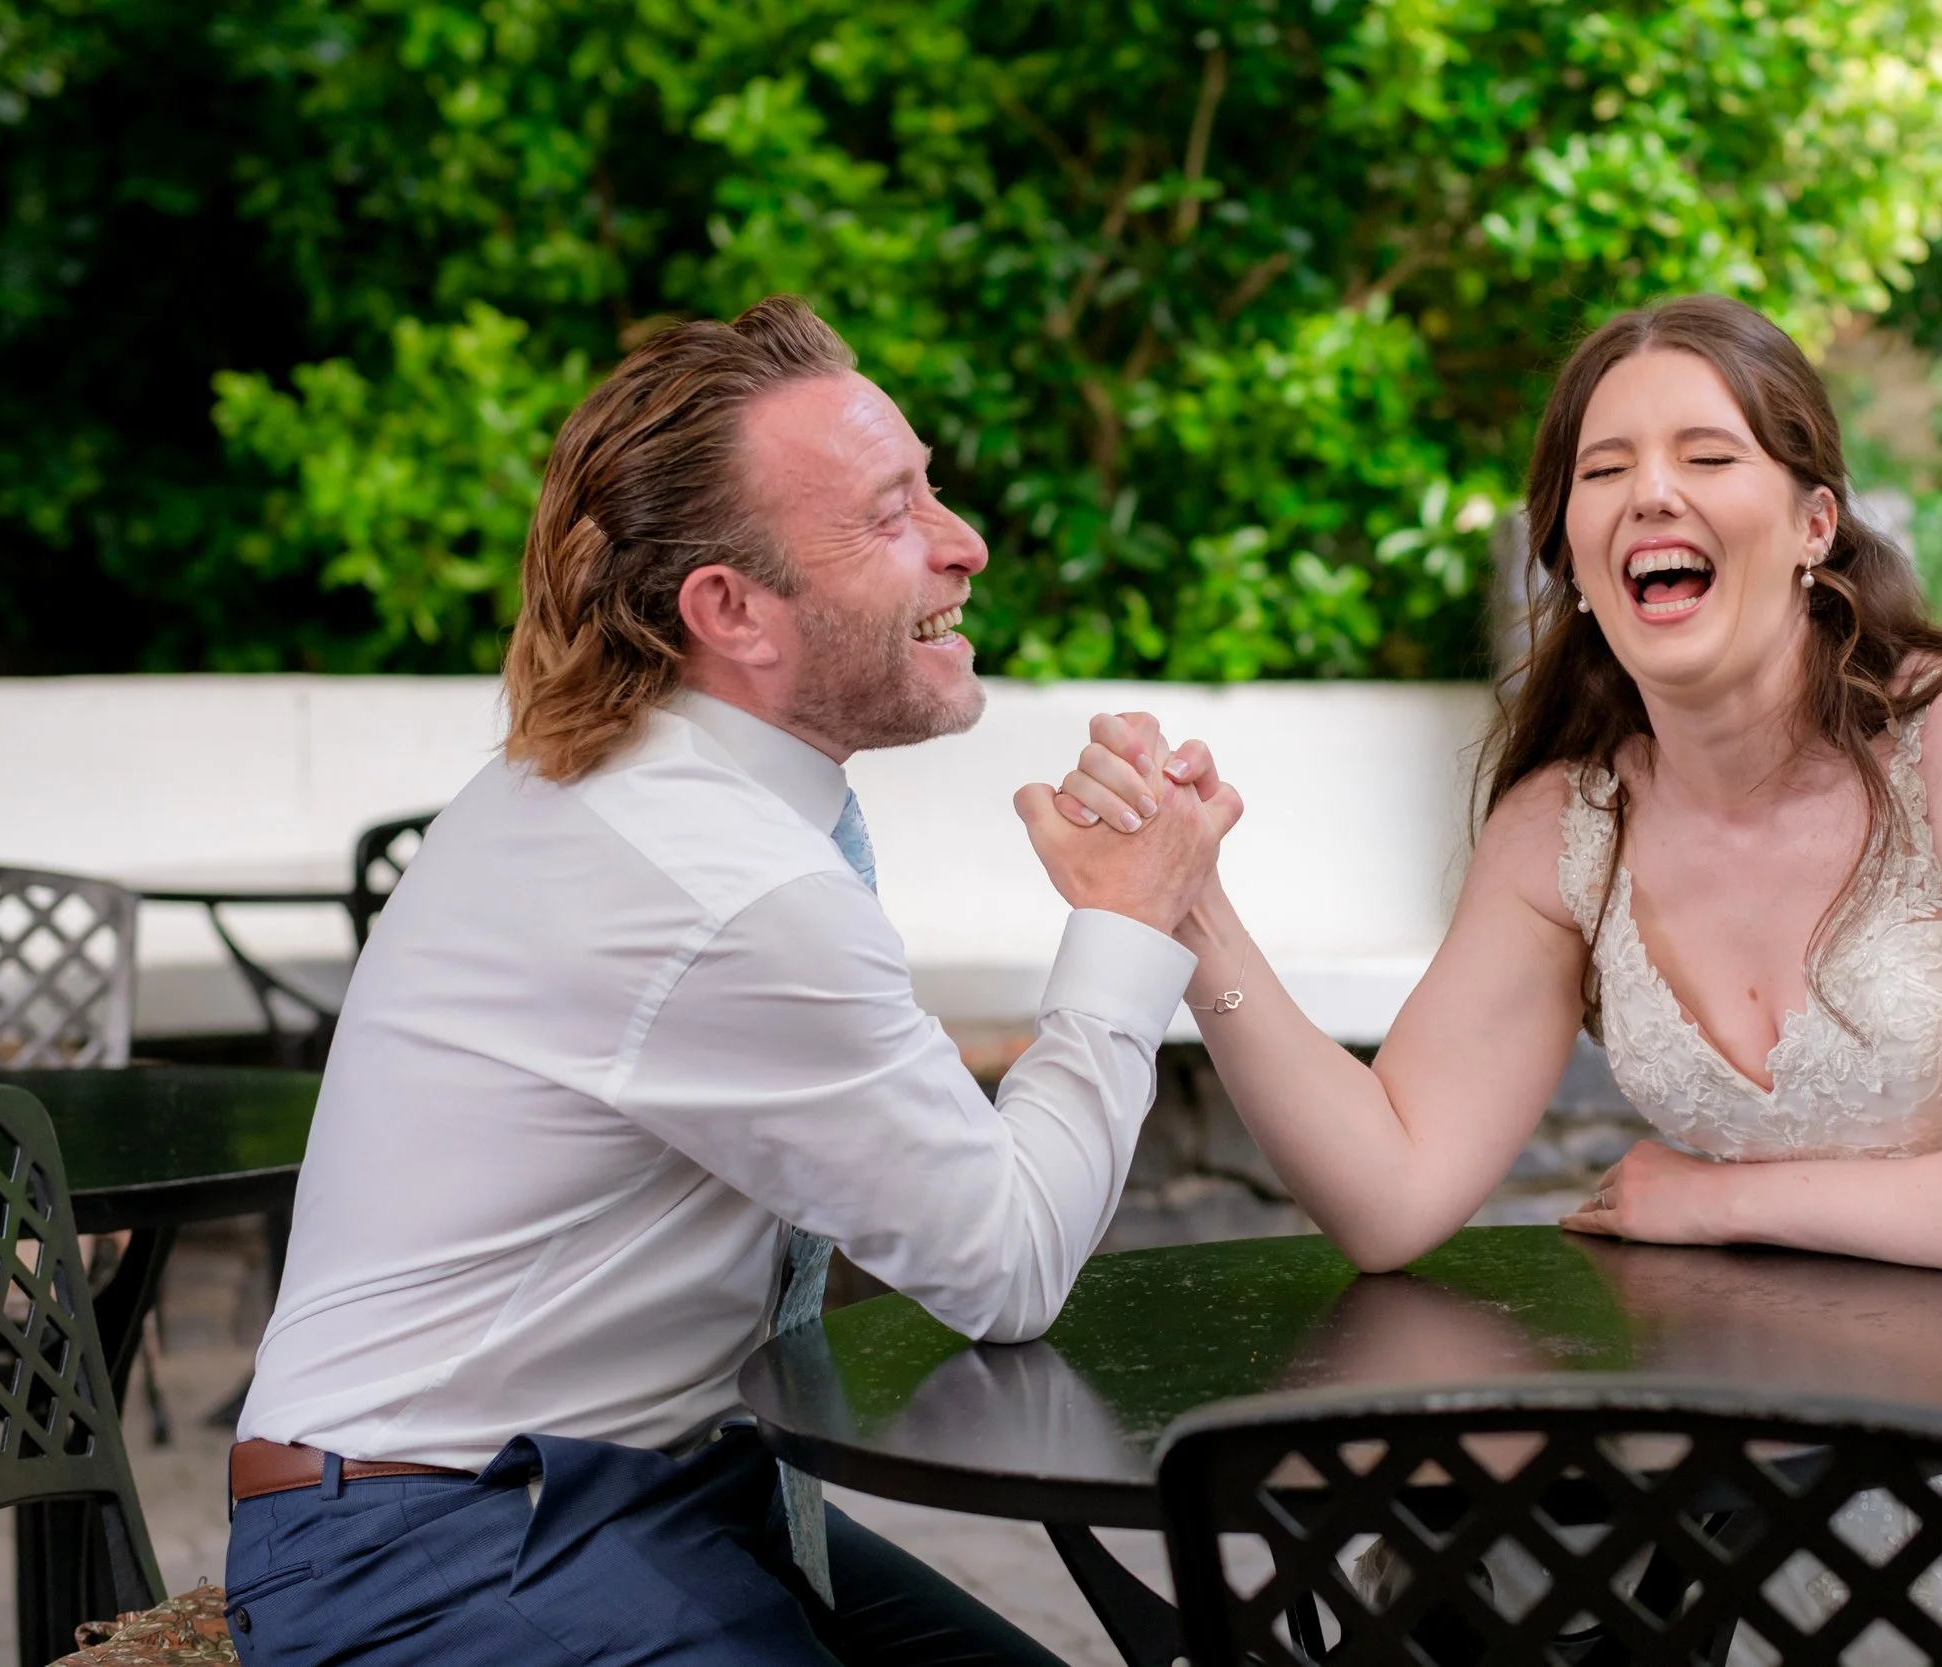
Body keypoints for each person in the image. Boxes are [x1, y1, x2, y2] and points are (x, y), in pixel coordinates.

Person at [1045, 295, 1942, 1632]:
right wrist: (1193, 913)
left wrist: (1717, 1198)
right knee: (1451, 1575)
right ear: (1577, 563)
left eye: (1707, 455)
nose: (1651, 492)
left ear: (1813, 525)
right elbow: (1392, 1189)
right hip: (1750, 1407)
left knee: (1691, 1590)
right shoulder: (1564, 827)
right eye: (1605, 470)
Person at [225, 295, 1239, 1666]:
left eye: (930, 485)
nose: (964, 542)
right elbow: (1002, 1265)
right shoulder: (715, 878)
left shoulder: (677, 794)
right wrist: (1128, 926)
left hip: (645, 1493)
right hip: (436, 1547)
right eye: (893, 516)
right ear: (731, 610)